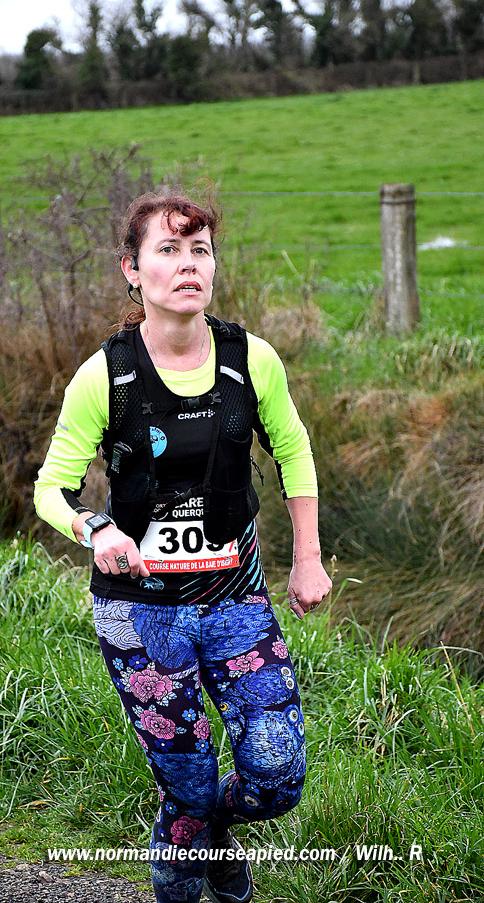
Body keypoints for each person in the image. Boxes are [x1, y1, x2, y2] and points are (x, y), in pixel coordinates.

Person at [34, 192, 332, 903]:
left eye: (199, 249)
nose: (187, 264)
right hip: (139, 615)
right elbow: (51, 490)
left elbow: (294, 453)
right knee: (189, 788)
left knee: (276, 777)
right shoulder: (104, 375)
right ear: (132, 270)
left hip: (235, 599)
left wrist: (307, 557)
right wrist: (95, 529)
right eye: (167, 250)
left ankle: (213, 832)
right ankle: (190, 872)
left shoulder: (249, 359)